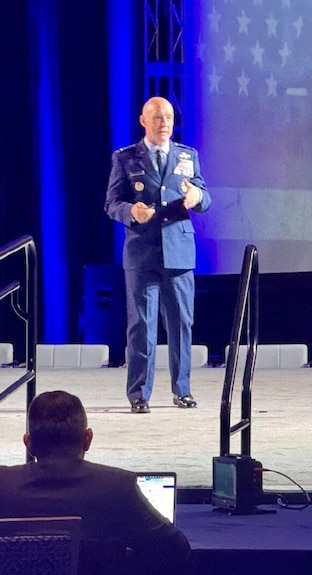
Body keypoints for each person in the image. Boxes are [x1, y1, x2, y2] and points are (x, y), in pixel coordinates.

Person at [0, 391, 190, 575]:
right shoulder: (117, 487)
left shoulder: (3, 485)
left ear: (28, 443)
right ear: (88, 439)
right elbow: (176, 548)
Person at [105, 96, 211, 413]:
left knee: (181, 325)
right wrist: (130, 210)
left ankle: (182, 390)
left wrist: (197, 196)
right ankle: (139, 394)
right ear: (143, 121)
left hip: (178, 252)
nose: (164, 123)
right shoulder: (125, 159)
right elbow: (112, 203)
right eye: (157, 118)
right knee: (142, 326)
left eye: (167, 117)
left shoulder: (187, 156)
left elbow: (205, 198)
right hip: (142, 253)